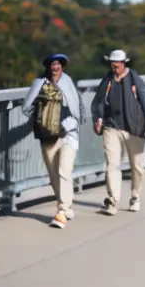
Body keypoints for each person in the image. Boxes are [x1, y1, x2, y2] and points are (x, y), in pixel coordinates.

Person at [20, 53, 88, 229]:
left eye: (58, 64)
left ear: (62, 66)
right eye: (52, 64)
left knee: (64, 171)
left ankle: (62, 211)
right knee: (54, 175)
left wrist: (75, 123)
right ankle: (65, 205)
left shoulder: (68, 82)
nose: (55, 67)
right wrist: (41, 111)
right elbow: (26, 107)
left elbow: (76, 106)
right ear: (48, 67)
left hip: (69, 132)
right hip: (48, 134)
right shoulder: (39, 83)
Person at [91, 49, 145, 215]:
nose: (114, 66)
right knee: (112, 165)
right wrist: (97, 118)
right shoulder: (107, 80)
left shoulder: (135, 80)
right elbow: (98, 101)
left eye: (117, 63)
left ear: (123, 63)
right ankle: (113, 201)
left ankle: (135, 196)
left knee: (138, 167)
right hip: (111, 127)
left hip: (134, 128)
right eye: (112, 63)